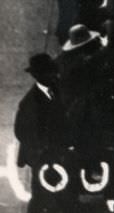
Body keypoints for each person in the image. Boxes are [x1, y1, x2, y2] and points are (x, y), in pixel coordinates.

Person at [14, 54, 66, 213]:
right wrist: (40, 149)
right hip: (41, 155)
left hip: (57, 151)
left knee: (57, 191)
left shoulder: (57, 88)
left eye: (53, 71)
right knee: (41, 192)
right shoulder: (30, 102)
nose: (53, 75)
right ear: (37, 75)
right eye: (48, 73)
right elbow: (21, 131)